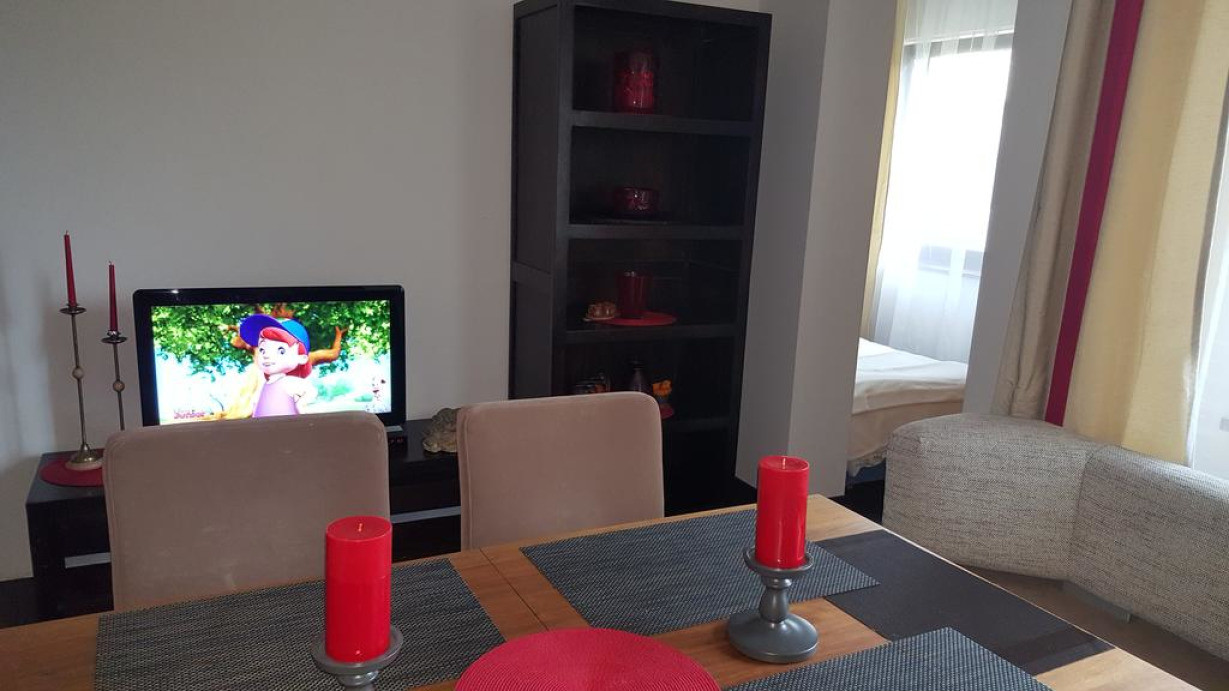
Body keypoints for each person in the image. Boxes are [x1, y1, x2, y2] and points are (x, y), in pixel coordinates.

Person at [238, 314, 317, 417]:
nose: (266, 355)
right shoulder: (264, 384)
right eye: (262, 350)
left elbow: (310, 391)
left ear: (302, 358)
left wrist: (301, 405)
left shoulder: (289, 382)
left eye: (281, 351)